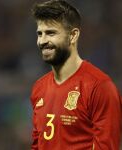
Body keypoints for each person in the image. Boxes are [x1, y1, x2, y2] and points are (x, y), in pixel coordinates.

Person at [30, 0, 122, 149]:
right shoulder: (39, 88)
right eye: (40, 34)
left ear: (73, 36)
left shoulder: (100, 87)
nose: (43, 41)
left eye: (51, 33)